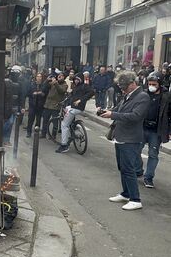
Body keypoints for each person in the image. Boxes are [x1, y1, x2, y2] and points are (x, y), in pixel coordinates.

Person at [101, 71, 150, 210]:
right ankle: (126, 193)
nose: (122, 89)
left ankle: (135, 199)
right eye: (121, 87)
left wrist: (114, 114)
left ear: (133, 83)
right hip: (121, 136)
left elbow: (136, 116)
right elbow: (119, 109)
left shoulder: (142, 97)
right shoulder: (128, 95)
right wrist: (106, 111)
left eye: (124, 86)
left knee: (129, 169)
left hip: (131, 138)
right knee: (122, 168)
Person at [136, 74, 170, 188]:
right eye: (150, 84)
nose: (151, 86)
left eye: (154, 84)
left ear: (159, 84)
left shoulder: (166, 96)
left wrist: (169, 131)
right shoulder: (143, 94)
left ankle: (148, 178)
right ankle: (138, 169)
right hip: (142, 127)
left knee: (153, 154)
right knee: (136, 150)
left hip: (156, 130)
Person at [55, 75, 94, 153]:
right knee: (66, 110)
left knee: (64, 125)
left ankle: (64, 145)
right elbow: (71, 95)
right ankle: (73, 127)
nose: (76, 81)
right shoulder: (76, 87)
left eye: (78, 79)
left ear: (81, 79)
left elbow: (92, 92)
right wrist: (63, 101)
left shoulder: (84, 86)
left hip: (77, 108)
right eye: (75, 79)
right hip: (72, 107)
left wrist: (80, 100)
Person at [41, 72, 68, 138]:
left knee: (55, 122)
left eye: (61, 76)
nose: (60, 77)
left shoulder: (65, 85)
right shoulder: (53, 83)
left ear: (64, 77)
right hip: (48, 104)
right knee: (45, 120)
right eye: (59, 75)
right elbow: (44, 88)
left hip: (55, 106)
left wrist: (55, 83)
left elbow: (61, 90)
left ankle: (53, 135)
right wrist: (47, 80)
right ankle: (43, 134)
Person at [3, 66, 25, 145]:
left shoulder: (20, 83)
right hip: (8, 105)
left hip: (14, 106)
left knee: (10, 123)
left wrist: (22, 106)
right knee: (9, 122)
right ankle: (4, 138)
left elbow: (22, 95)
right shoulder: (6, 81)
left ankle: (6, 139)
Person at [26, 73, 47, 138]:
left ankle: (36, 132)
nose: (39, 78)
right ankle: (28, 132)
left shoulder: (43, 85)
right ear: (36, 77)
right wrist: (33, 94)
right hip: (32, 105)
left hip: (40, 105)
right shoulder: (32, 85)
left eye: (40, 76)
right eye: (38, 76)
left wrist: (42, 94)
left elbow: (45, 94)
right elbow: (28, 93)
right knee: (30, 119)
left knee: (38, 120)